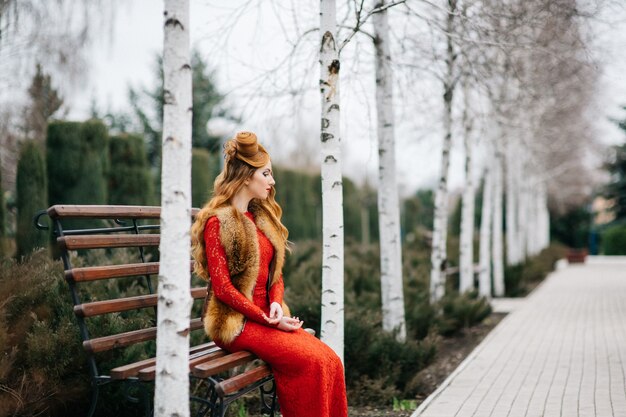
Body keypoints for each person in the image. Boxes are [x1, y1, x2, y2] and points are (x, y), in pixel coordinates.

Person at [191, 131, 348, 417]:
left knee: (330, 360)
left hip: (267, 316)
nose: (272, 181)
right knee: (310, 362)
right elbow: (223, 289)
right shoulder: (218, 223)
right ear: (247, 176)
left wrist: (276, 304)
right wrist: (268, 320)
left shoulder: (262, 218)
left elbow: (275, 275)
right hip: (234, 323)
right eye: (267, 173)